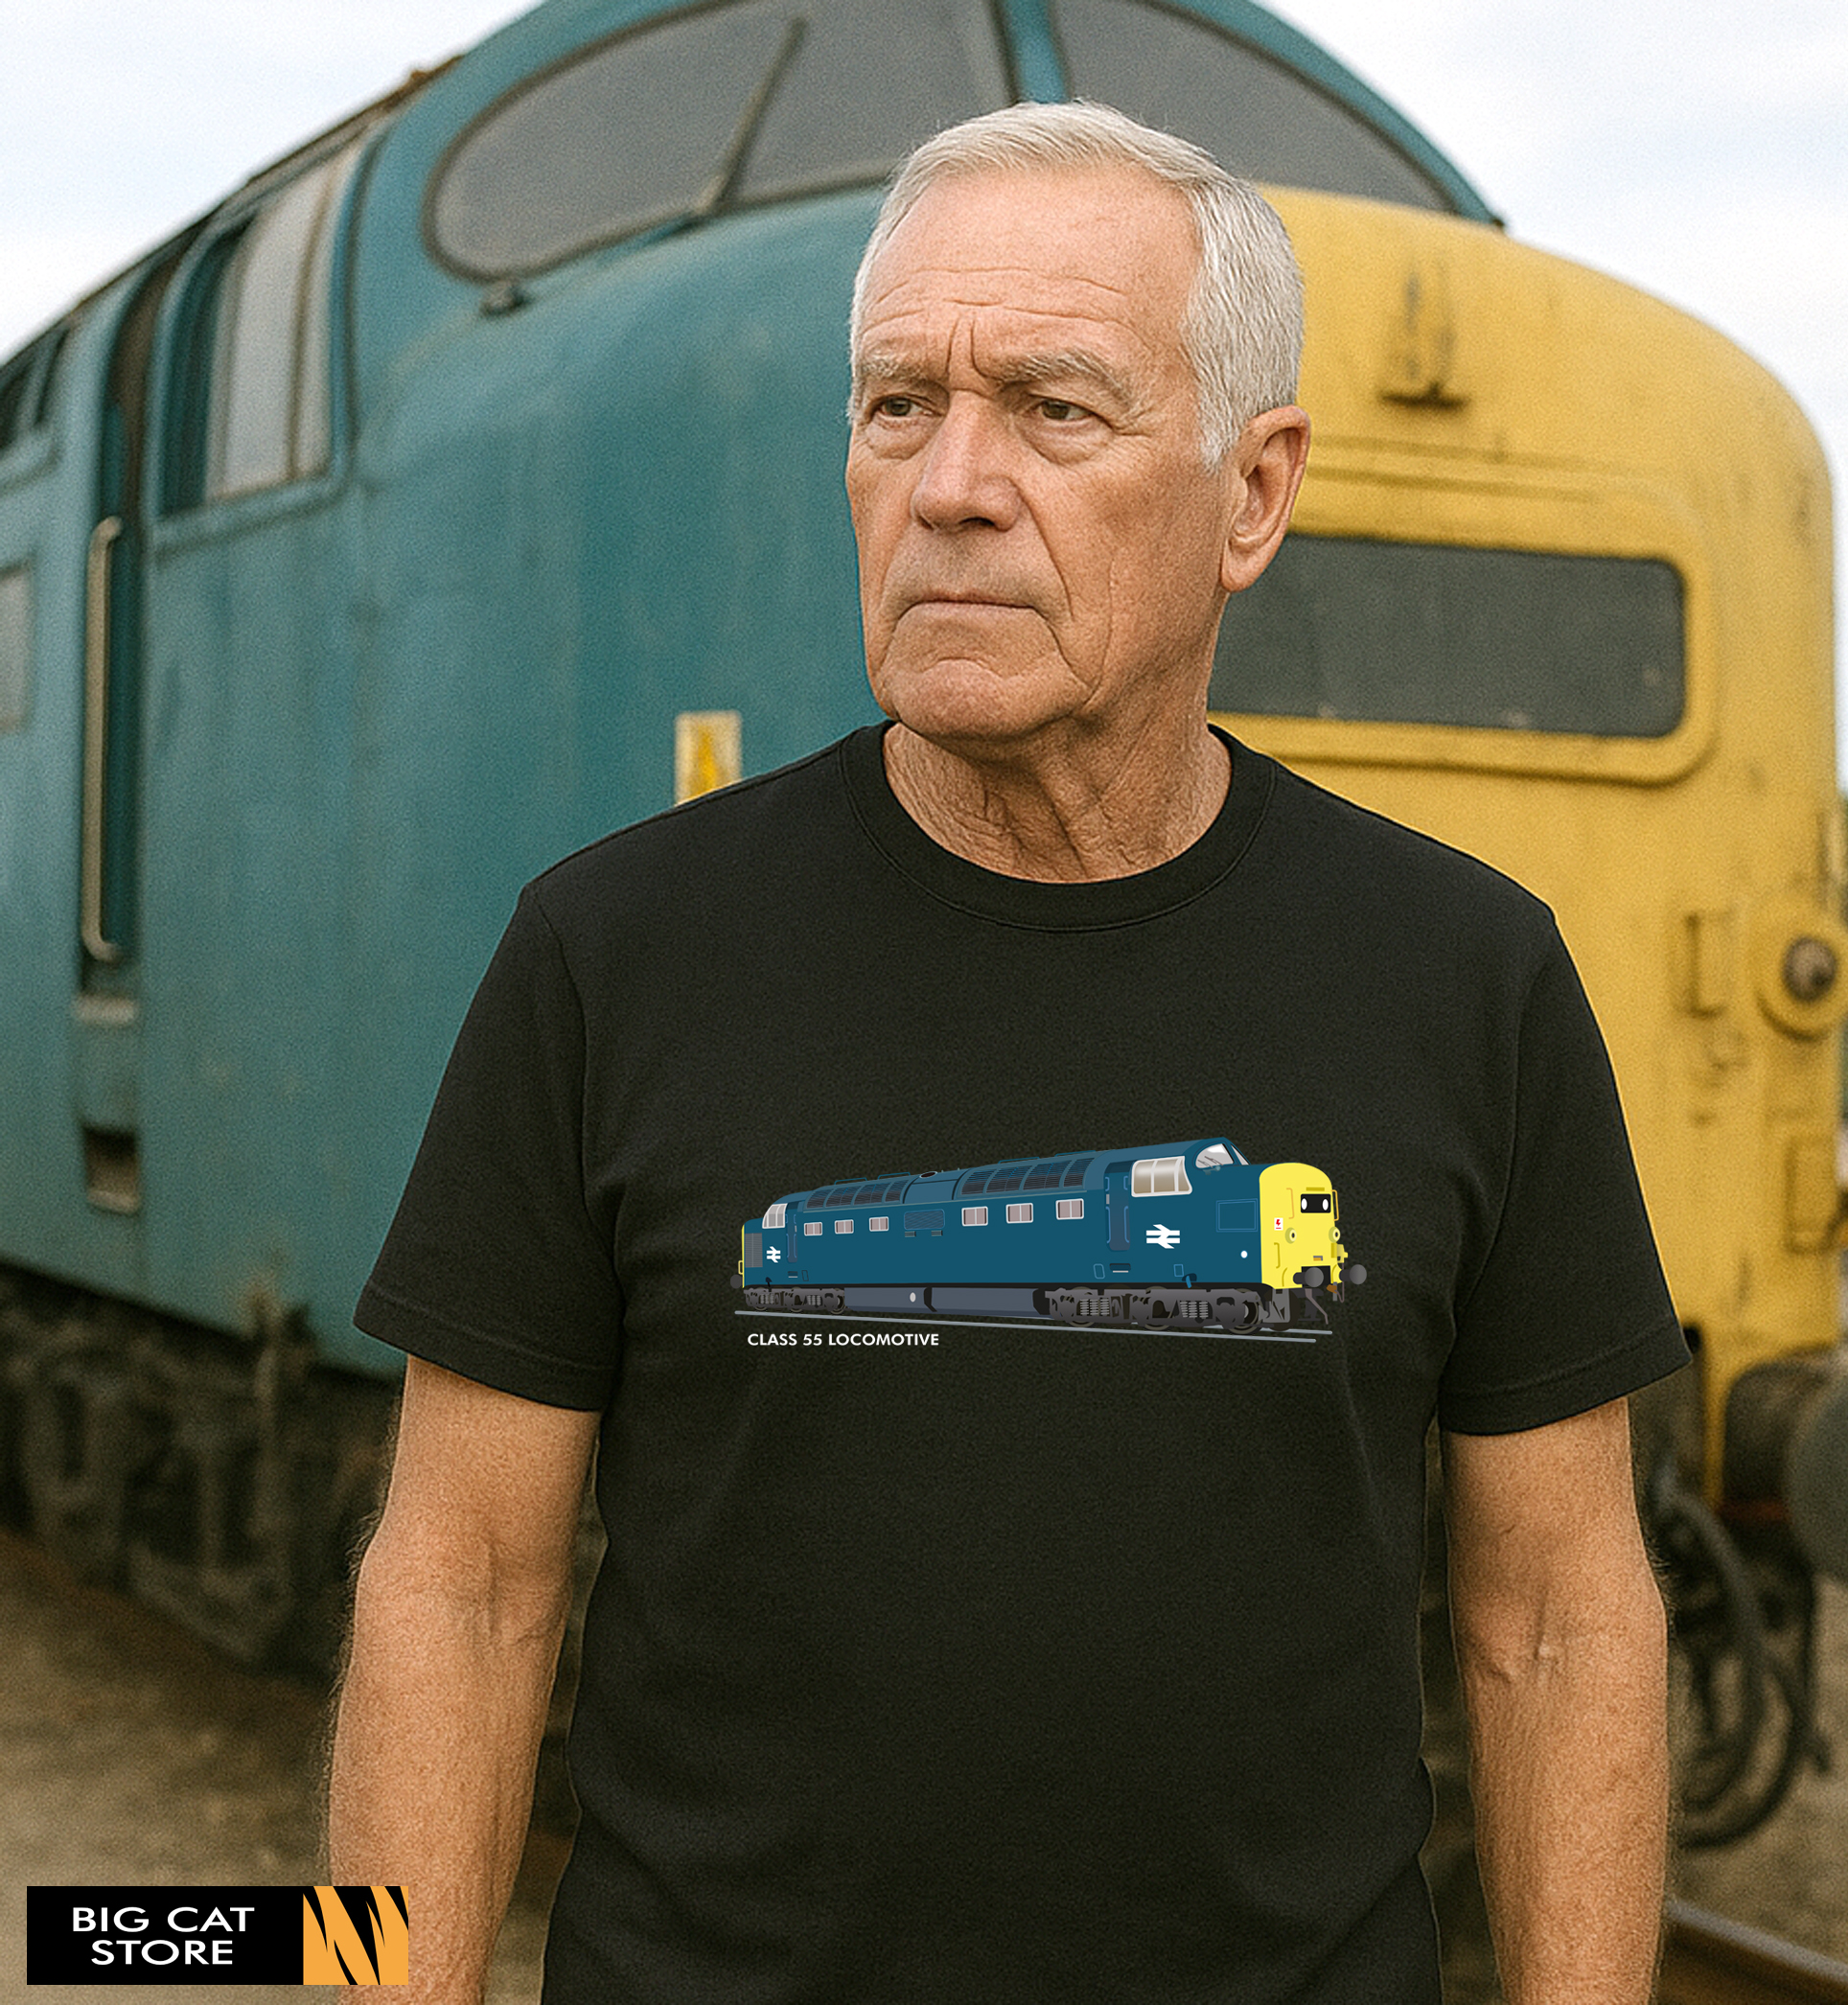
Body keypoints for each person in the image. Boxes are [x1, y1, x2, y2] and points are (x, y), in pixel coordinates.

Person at [331, 102, 1685, 2004]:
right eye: (898, 406)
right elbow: (459, 1588)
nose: (949, 484)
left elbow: (1556, 1619)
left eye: (1052, 408)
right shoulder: (609, 953)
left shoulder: (1466, 977)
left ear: (1251, 493)